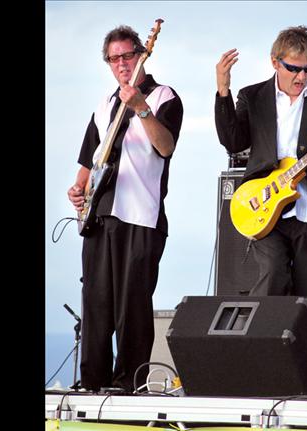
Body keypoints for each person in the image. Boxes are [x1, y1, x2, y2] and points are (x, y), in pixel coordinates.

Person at [67, 25, 183, 393]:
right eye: (114, 58)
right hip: (100, 216)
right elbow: (90, 158)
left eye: (128, 55)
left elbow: (165, 147)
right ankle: (92, 383)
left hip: (141, 215)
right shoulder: (104, 104)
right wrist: (77, 188)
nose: (121, 63)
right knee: (96, 302)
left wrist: (142, 110)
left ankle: (129, 384)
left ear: (142, 55)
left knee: (132, 305)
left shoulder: (165, 97)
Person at [214, 26, 307, 308]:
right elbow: (232, 141)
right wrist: (223, 90)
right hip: (266, 205)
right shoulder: (253, 96)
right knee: (272, 275)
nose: (302, 77)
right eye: (294, 69)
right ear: (275, 62)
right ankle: (257, 349)